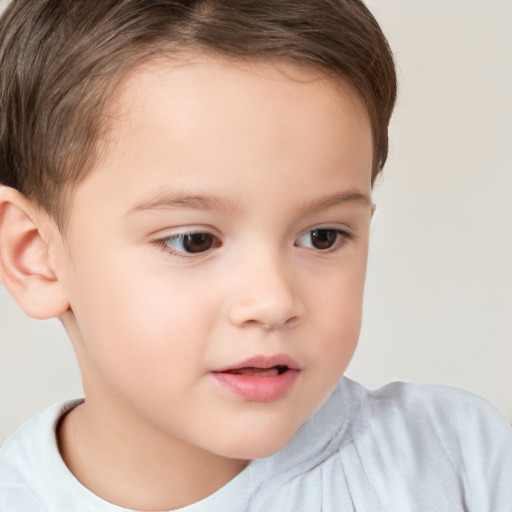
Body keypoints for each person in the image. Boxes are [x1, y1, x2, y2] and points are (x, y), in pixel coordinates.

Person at [0, 0, 510, 510]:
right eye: (193, 240)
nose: (272, 302)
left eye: (322, 236)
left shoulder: (457, 461)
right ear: (35, 255)